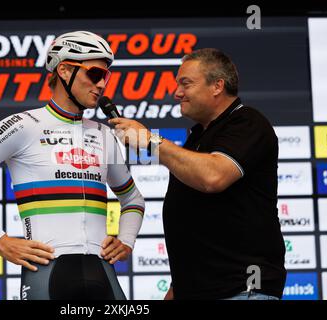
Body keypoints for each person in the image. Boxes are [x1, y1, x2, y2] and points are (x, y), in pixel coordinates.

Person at [0, 31, 145, 300]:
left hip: (102, 271)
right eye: (95, 74)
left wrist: (126, 241)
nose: (102, 84)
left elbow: (133, 199)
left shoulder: (104, 134)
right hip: (47, 274)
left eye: (106, 76)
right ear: (65, 70)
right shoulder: (23, 125)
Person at [109, 48, 286, 300]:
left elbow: (213, 177)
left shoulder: (247, 122)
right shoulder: (197, 138)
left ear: (217, 86)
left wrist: (149, 140)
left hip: (242, 290)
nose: (177, 92)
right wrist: (176, 288)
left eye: (186, 83)